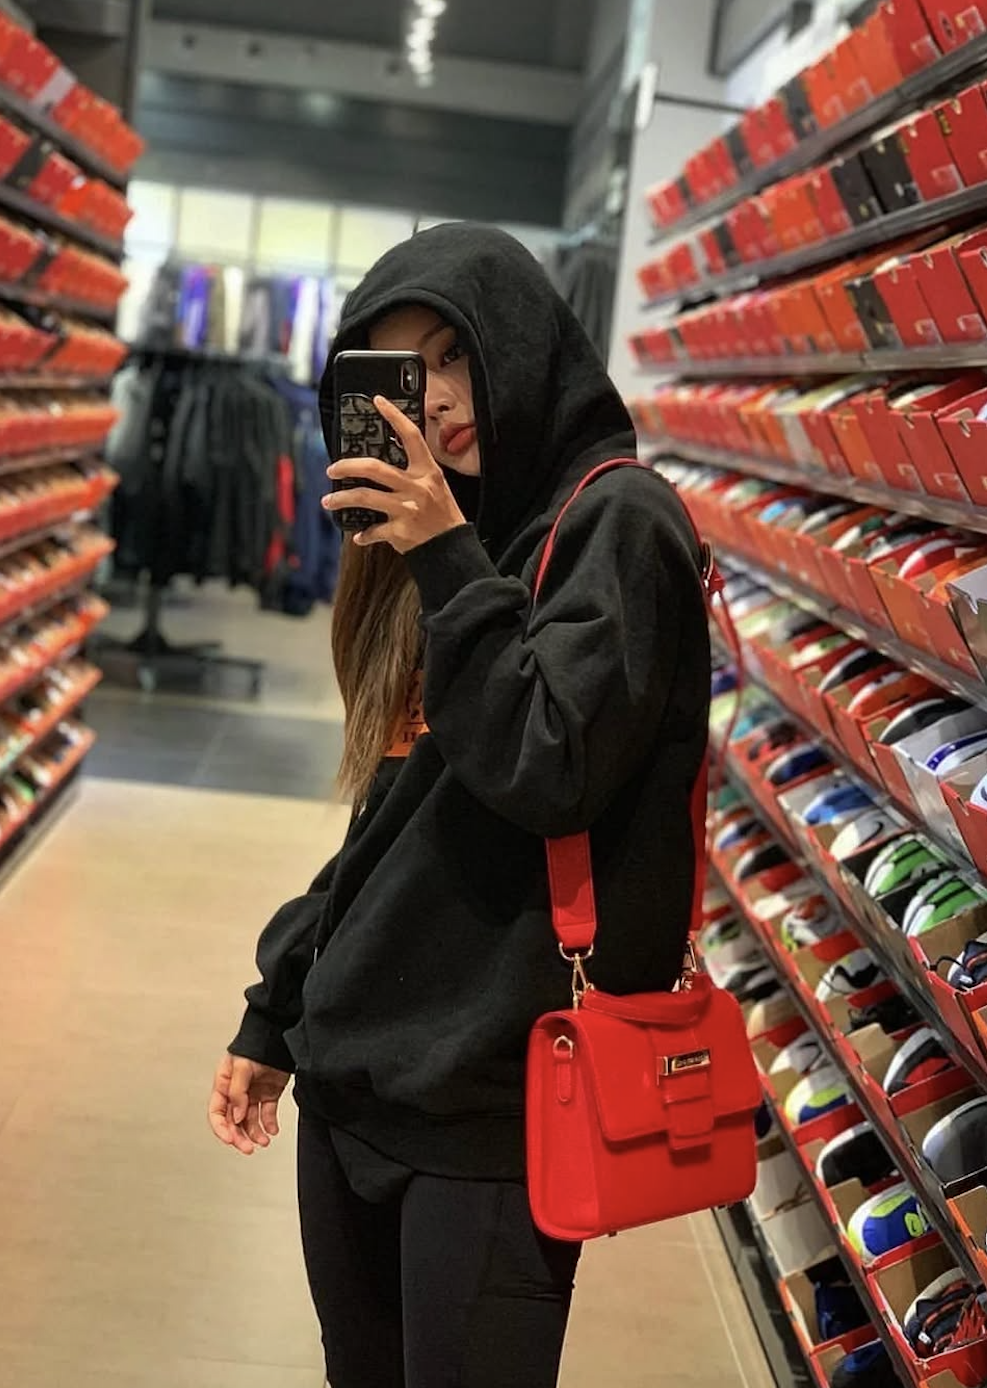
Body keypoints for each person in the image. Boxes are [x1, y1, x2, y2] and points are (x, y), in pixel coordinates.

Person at [207, 224, 711, 1388]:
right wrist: (277, 1008)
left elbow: (550, 763)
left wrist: (442, 554)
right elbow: (393, 819)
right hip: (354, 1089)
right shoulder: (457, 536)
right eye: (402, 373)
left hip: (494, 1114)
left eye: (452, 356)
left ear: (518, 344)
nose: (432, 399)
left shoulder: (619, 525)